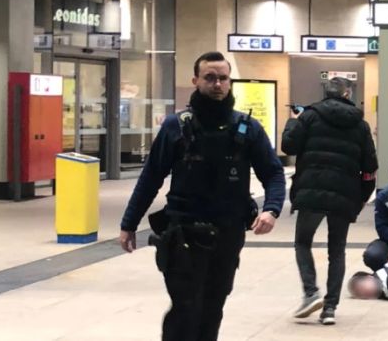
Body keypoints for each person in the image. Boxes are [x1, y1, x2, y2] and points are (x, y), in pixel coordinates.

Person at [118, 51, 286, 341]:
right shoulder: (177, 126)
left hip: (228, 231)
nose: (217, 84)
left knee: (213, 305)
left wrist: (271, 209)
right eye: (210, 78)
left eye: (222, 78)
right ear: (195, 80)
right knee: (186, 306)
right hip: (183, 231)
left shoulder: (246, 128)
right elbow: (151, 177)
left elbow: (273, 173)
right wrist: (129, 223)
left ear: (230, 82)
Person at [282, 77, 378, 325]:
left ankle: (311, 292)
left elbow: (288, 145)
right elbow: (370, 166)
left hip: (310, 192)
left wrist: (292, 121)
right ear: (347, 94)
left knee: (303, 242)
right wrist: (360, 198)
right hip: (344, 195)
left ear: (326, 94)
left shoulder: (309, 116)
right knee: (337, 251)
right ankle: (330, 309)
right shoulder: (360, 124)